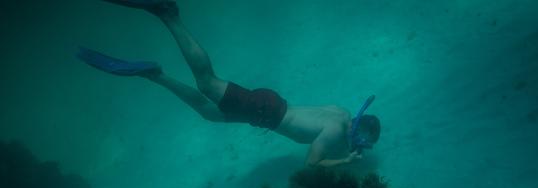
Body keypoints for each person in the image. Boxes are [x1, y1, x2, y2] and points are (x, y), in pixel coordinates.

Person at [78, 0, 381, 167]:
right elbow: (312, 164)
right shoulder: (333, 135)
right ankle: (169, 16)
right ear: (358, 132)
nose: (358, 146)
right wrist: (344, 161)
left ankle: (155, 75)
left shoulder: (341, 113)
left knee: (209, 113)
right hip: (267, 111)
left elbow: (330, 130)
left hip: (272, 107)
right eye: (362, 141)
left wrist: (346, 146)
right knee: (208, 83)